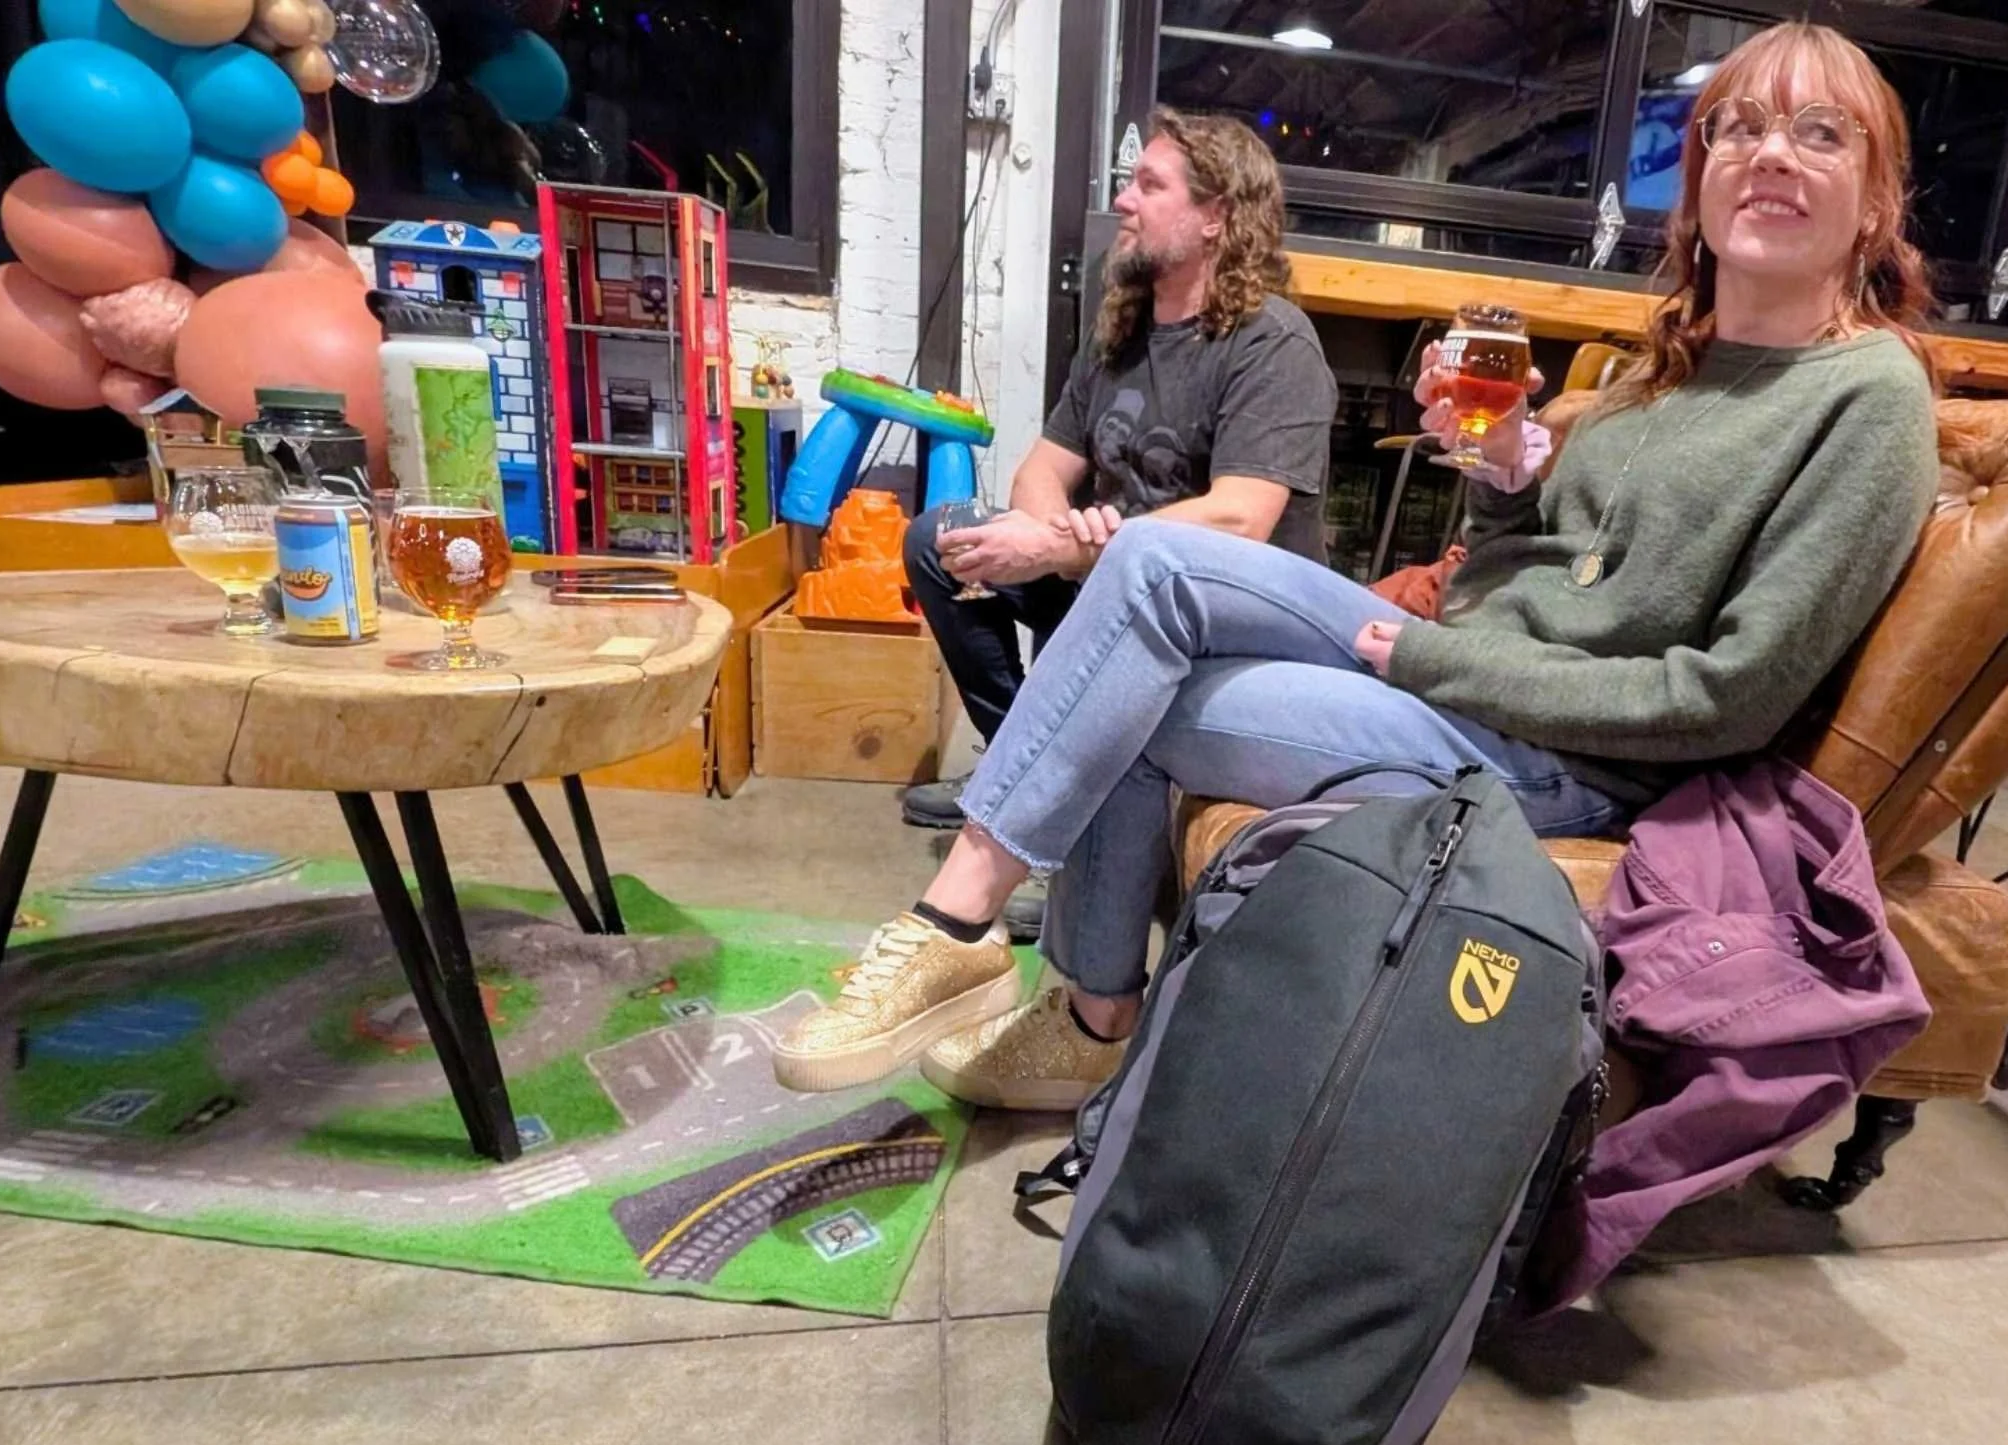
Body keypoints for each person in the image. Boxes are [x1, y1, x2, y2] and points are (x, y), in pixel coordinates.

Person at [774, 21, 1942, 1111]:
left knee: (1127, 660)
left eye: (1819, 132)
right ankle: (1010, 964)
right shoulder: (1668, 364)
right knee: (1147, 570)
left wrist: (1437, 655)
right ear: (1698, 175)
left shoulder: (1869, 399)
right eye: (1739, 127)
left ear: (1877, 196)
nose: (1771, 155)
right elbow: (1532, 568)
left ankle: (1017, 972)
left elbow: (1726, 699)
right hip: (1468, 671)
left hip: (1572, 754)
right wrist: (1501, 473)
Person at [896, 108, 1339, 941]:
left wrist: (1056, 548)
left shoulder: (1272, 343)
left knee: (1064, 590)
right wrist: (1040, 538)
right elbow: (1042, 469)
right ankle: (1031, 775)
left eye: (1148, 184)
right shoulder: (1123, 329)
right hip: (1100, 578)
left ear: (1216, 217)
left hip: (1217, 621)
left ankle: (1039, 805)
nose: (1123, 200)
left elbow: (1241, 517)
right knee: (940, 540)